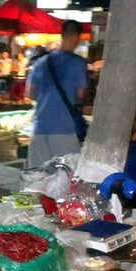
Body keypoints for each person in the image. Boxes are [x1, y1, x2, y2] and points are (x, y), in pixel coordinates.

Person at [25, 20, 88, 166]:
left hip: (39, 126)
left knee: (38, 175)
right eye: (78, 39)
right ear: (74, 36)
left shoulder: (41, 61)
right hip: (63, 127)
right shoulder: (77, 62)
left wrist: (47, 99)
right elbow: (80, 94)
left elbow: (29, 93)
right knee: (66, 174)